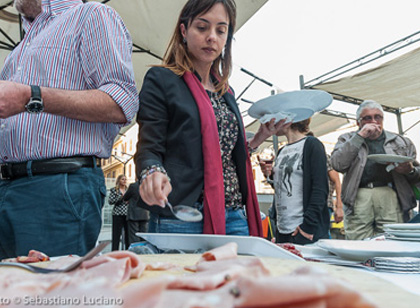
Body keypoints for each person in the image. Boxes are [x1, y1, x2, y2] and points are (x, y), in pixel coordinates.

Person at [0, 0, 138, 259]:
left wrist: (31, 97)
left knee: (46, 296)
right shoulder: (17, 52)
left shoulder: (91, 15)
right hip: (10, 185)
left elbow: (122, 102)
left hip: (58, 187)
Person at [135, 0, 278, 236]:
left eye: (221, 30)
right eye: (202, 27)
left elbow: (225, 156)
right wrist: (152, 172)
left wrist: (259, 138)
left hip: (234, 214)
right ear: (184, 30)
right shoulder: (161, 79)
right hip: (184, 213)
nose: (212, 37)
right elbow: (149, 147)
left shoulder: (226, 92)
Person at [331, 100, 420, 240]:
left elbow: (416, 173)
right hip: (358, 195)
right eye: (367, 118)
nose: (374, 121)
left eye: (378, 117)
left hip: (390, 194)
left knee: (391, 240)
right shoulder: (347, 139)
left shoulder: (400, 141)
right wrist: (359, 136)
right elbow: (338, 164)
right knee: (358, 242)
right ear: (358, 122)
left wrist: (409, 171)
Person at [258, 118, 330, 245]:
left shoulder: (312, 144)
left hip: (302, 230)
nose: (272, 122)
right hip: (283, 229)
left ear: (288, 119)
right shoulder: (281, 151)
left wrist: (307, 226)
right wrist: (269, 175)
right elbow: (283, 189)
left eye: (275, 118)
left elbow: (320, 188)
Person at [123, 181, 150, 246]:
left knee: (133, 236)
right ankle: (143, 251)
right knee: (143, 235)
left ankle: (135, 251)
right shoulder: (148, 185)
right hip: (145, 214)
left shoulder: (133, 186)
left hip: (134, 214)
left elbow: (125, 197)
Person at [108, 175, 130, 251]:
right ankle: (114, 252)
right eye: (122, 179)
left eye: (125, 179)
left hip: (127, 214)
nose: (124, 181)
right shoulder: (114, 190)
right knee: (116, 235)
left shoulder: (128, 190)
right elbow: (110, 201)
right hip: (117, 214)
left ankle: (128, 251)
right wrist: (121, 198)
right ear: (119, 180)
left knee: (128, 235)